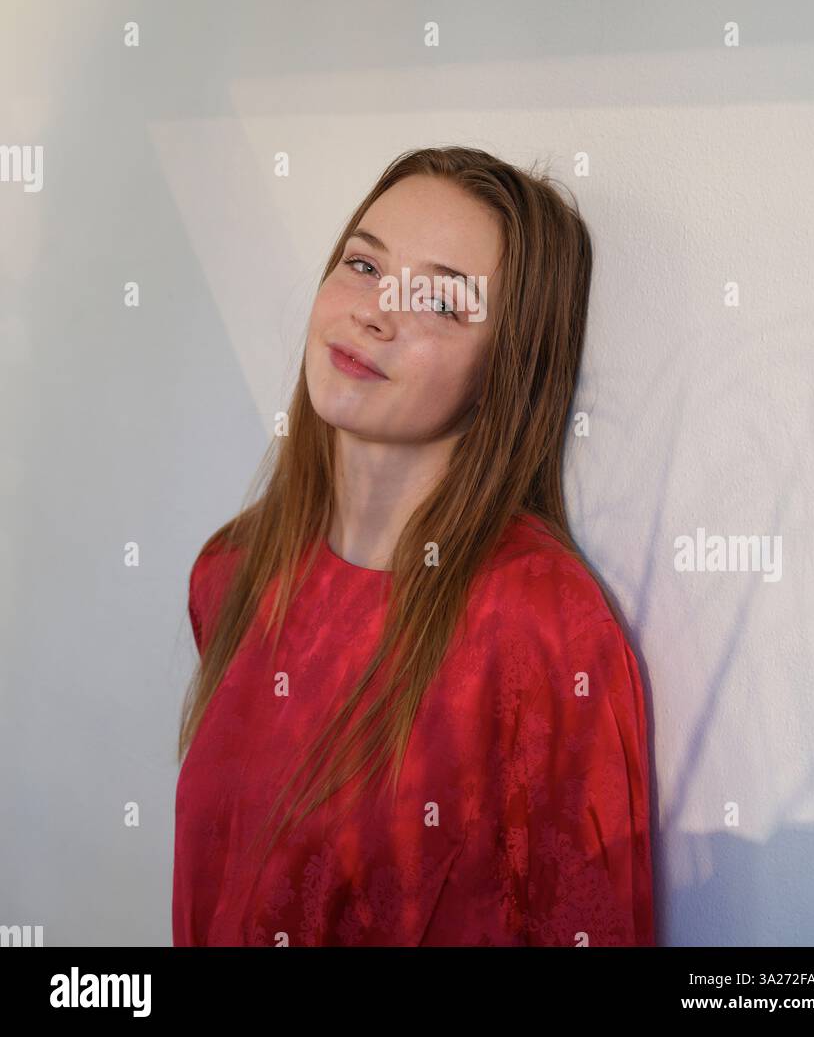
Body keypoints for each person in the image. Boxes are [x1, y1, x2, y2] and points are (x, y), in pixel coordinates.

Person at [172, 145, 655, 946]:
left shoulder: (538, 620)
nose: (373, 312)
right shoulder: (233, 569)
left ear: (506, 370)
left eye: (438, 300)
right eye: (364, 265)